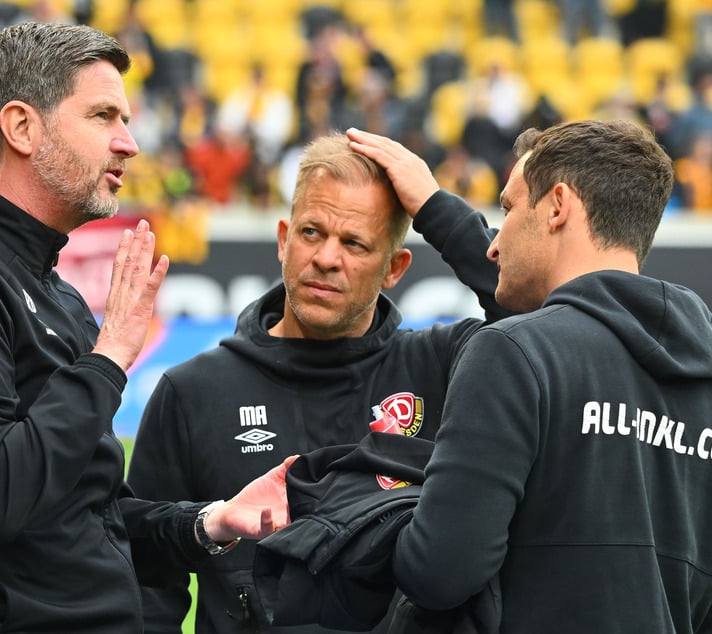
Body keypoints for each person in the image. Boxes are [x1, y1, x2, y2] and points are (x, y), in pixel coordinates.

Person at [0, 22, 291, 634]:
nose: (129, 144)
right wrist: (108, 357)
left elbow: (85, 517)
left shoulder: (51, 290)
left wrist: (206, 523)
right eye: (105, 116)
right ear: (22, 127)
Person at [127, 128, 512, 632]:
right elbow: (146, 588)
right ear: (284, 240)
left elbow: (543, 326)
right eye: (312, 233)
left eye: (354, 243)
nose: (327, 258)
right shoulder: (192, 393)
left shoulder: (444, 367)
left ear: (394, 267)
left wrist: (438, 210)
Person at [388, 119, 712, 632]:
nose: (494, 245)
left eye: (507, 209)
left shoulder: (509, 353)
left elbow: (435, 574)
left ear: (558, 206)